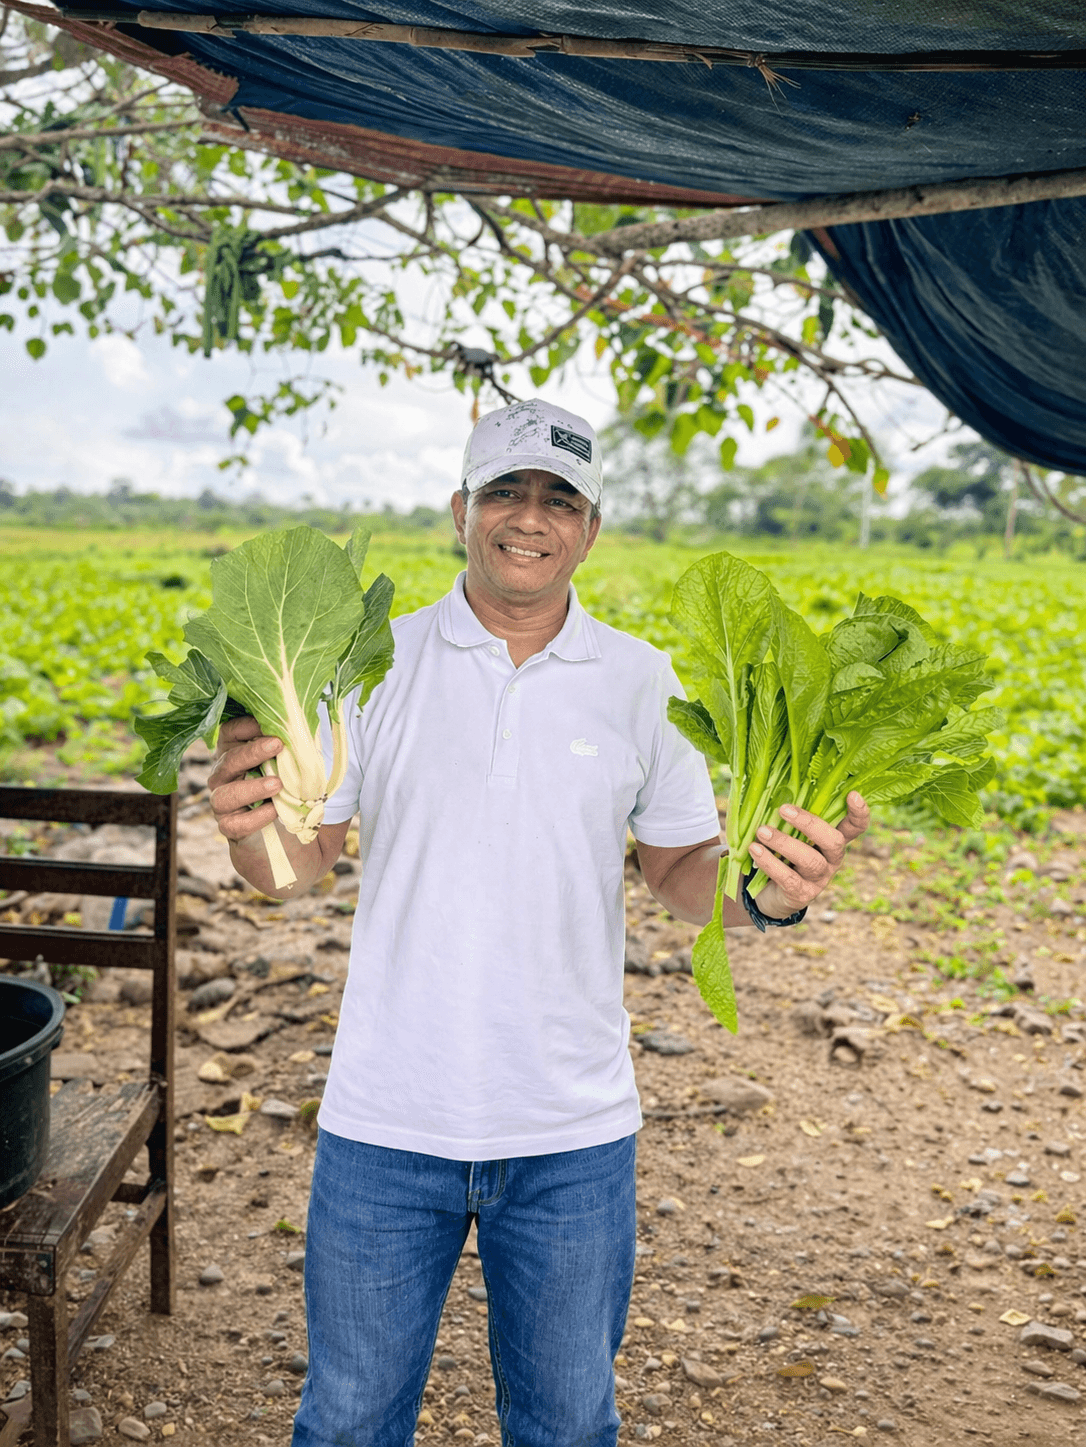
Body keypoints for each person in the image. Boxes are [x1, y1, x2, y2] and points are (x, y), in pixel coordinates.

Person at [208, 399, 869, 1447]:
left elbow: (679, 869)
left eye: (559, 498)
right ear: (460, 509)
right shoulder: (369, 662)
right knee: (345, 1420)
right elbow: (301, 868)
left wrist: (763, 896)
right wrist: (250, 832)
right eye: (506, 492)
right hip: (387, 1119)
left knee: (566, 1424)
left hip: (571, 1131)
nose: (530, 517)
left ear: (590, 529)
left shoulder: (642, 680)